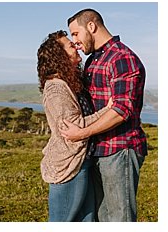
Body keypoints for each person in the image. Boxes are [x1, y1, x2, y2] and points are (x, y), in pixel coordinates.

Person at [61, 8, 147, 222]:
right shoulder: (94, 60)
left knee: (120, 219)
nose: (75, 42)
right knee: (101, 218)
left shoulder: (122, 58)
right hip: (98, 151)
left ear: (91, 26)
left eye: (75, 34)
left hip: (120, 149)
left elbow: (121, 111)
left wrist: (82, 133)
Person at [37, 30, 110, 222]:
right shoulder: (56, 88)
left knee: (87, 220)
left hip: (80, 162)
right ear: (59, 55)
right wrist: (109, 111)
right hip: (68, 165)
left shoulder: (69, 83)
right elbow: (72, 128)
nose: (76, 46)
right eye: (70, 45)